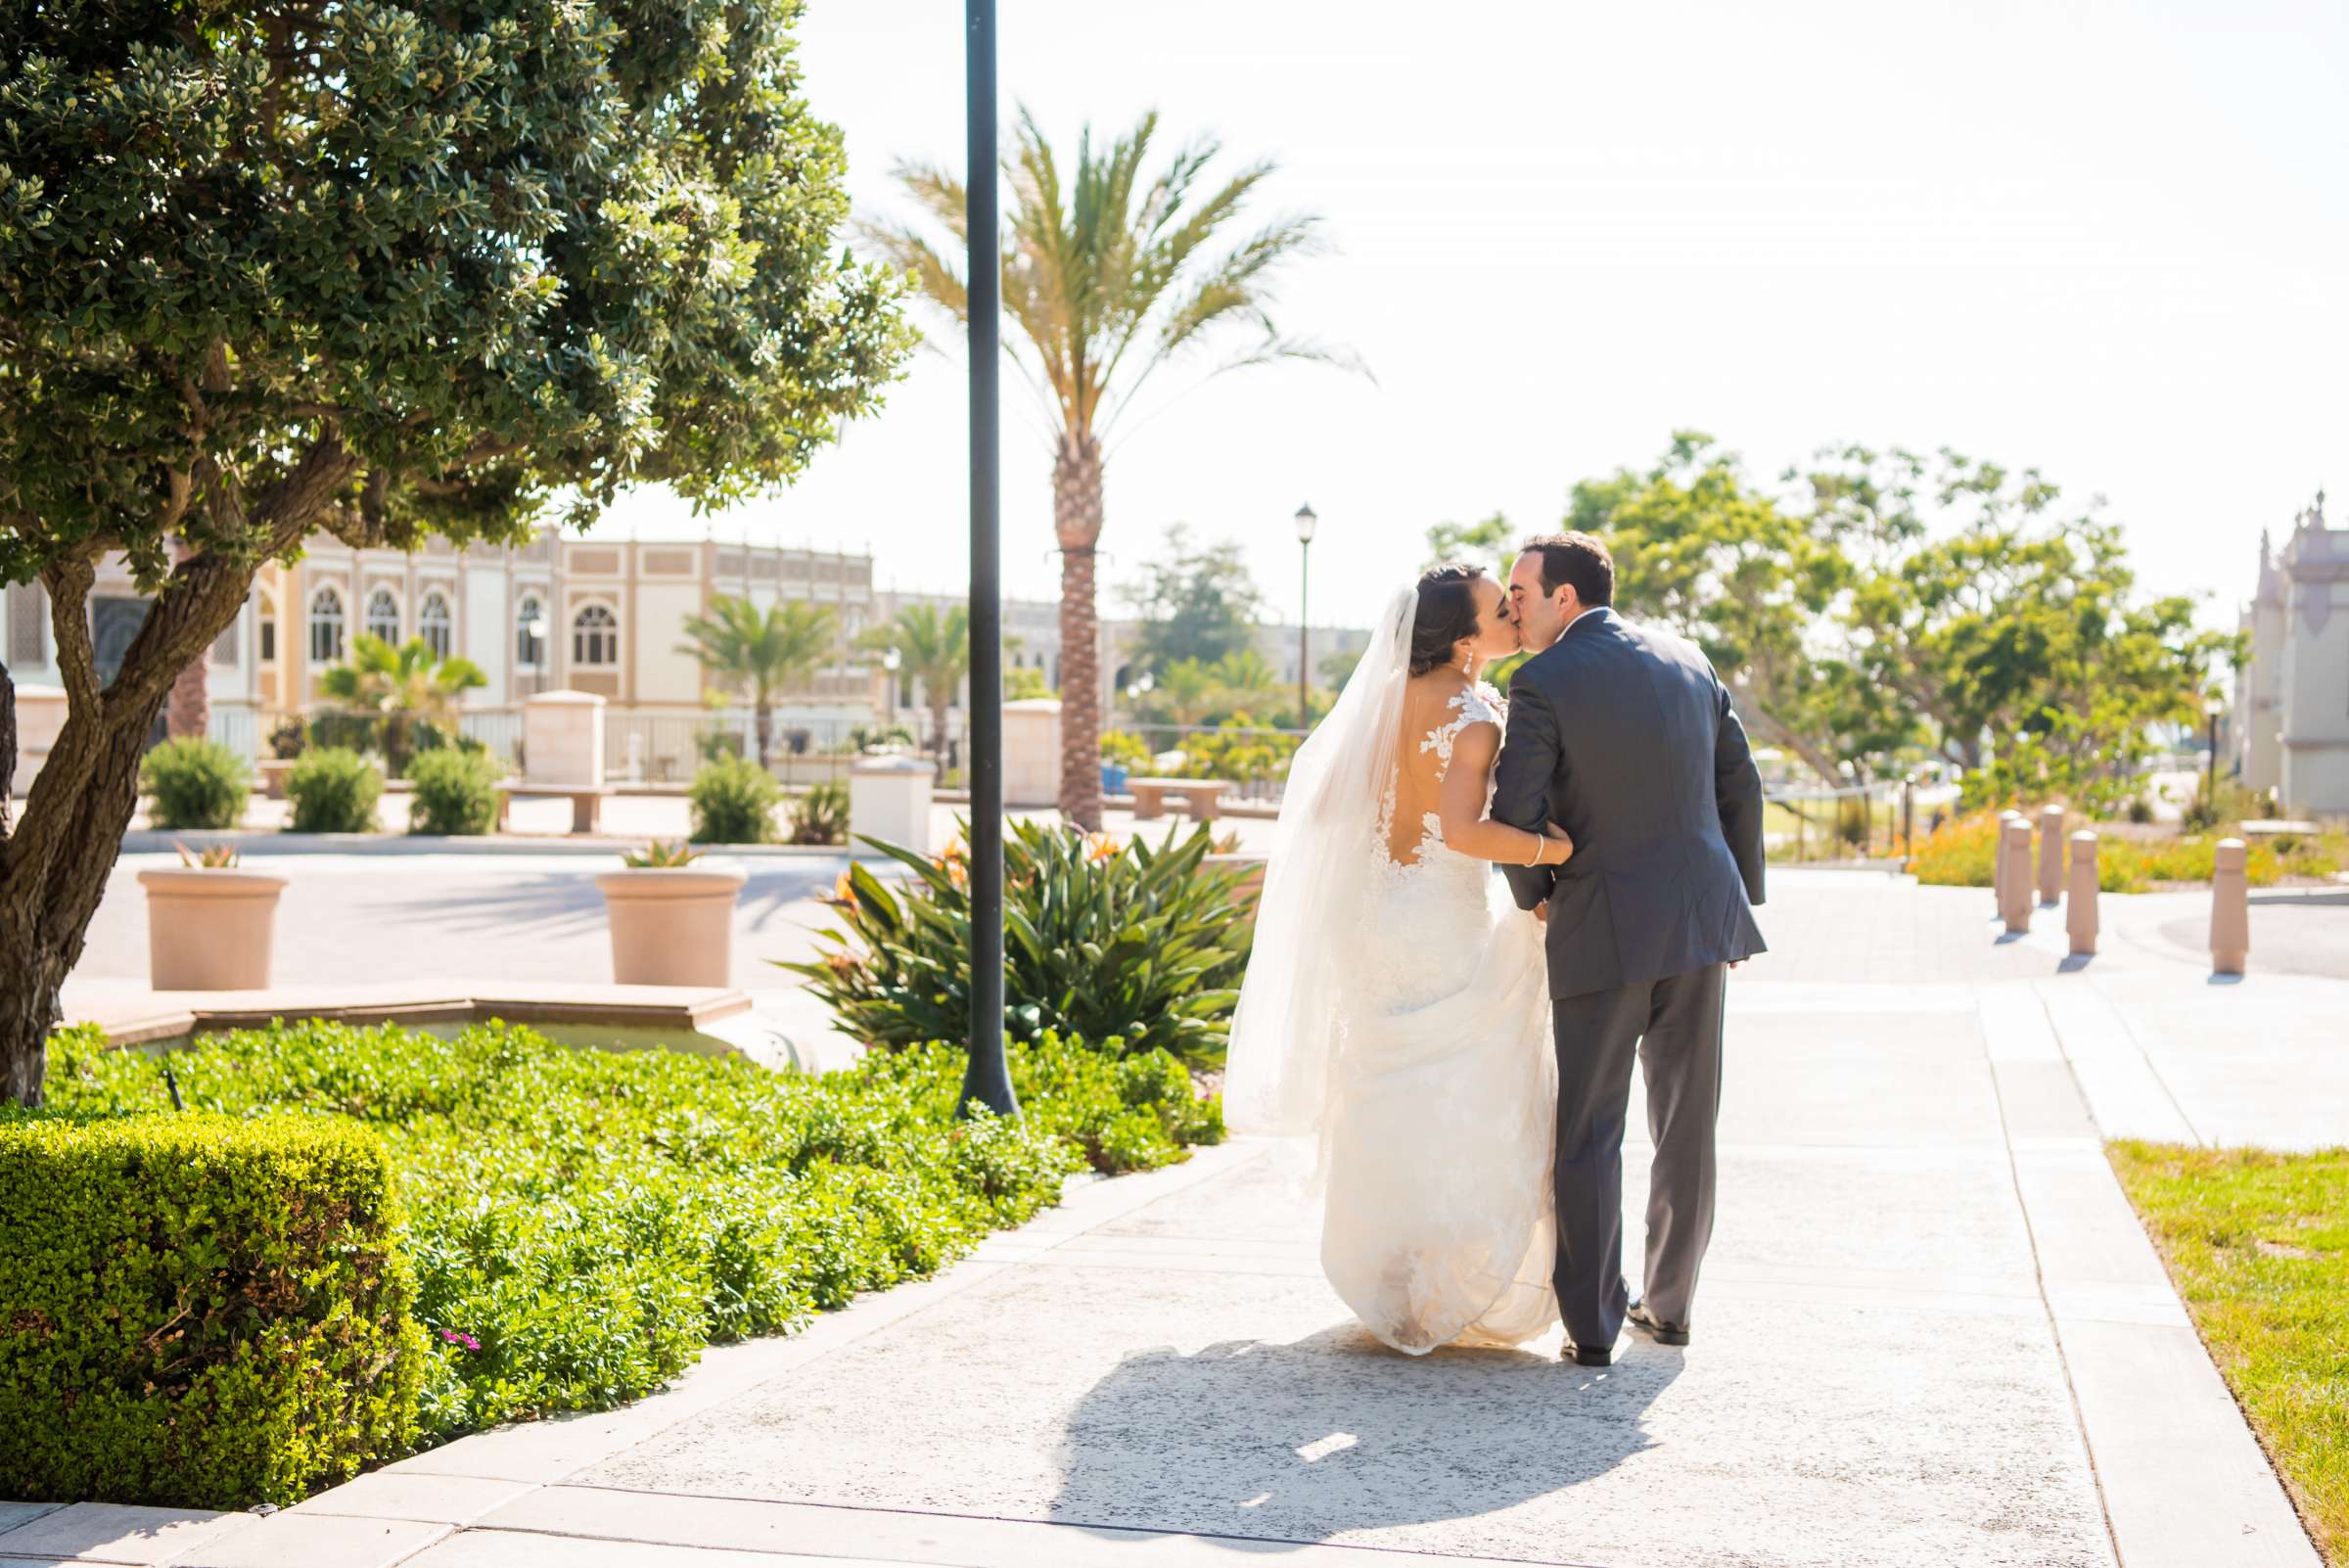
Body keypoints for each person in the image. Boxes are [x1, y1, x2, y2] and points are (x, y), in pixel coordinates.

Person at [1225, 563, 1573, 1354]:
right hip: (1441, 920)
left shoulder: (1380, 705)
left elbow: (1326, 809)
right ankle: (1445, 1278)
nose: (1512, 617)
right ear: (1462, 637)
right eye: (1498, 609)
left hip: (1377, 918)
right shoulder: (1475, 716)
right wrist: (1548, 844)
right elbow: (1463, 832)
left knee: (1387, 1084)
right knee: (1452, 1082)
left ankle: (1394, 1273)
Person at [1492, 531, 1767, 1366]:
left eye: (1522, 592)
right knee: (1688, 1124)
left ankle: (1595, 1328)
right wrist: (1734, 895)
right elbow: (1740, 785)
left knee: (1591, 1128)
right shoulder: (1690, 658)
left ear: (1564, 599)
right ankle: (1673, 1307)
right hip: (1699, 928)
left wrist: (1537, 898)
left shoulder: (1541, 680)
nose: (1513, 606)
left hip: (1601, 922)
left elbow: (1516, 814)